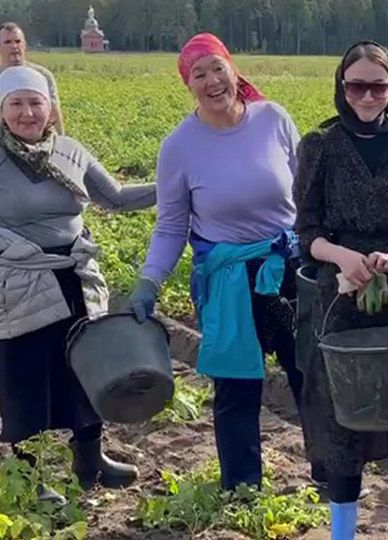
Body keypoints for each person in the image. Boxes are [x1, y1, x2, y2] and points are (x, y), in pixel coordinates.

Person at [128, 33, 311, 492]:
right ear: (188, 85)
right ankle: (243, 487)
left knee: (310, 374)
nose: (211, 81)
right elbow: (171, 225)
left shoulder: (274, 119)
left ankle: (330, 474)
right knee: (236, 387)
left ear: (234, 69)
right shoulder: (180, 146)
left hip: (285, 267)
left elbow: (308, 195)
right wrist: (150, 281)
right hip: (229, 278)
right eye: (198, 74)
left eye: (217, 68)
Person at [293, 40, 388, 540]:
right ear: (342, 87)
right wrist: (342, 257)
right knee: (343, 411)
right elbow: (306, 232)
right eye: (357, 85)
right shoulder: (320, 146)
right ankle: (343, 529)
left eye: (378, 86)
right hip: (339, 293)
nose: (368, 95)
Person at [0, 66, 154, 503]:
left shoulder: (69, 151)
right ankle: (28, 480)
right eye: (17, 103)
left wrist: (180, 187)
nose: (28, 113)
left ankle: (90, 460)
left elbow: (117, 198)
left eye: (36, 102)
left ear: (50, 107)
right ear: (2, 109)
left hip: (72, 277)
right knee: (24, 377)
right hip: (18, 284)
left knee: (85, 370)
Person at [0, 22, 64, 134]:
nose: (14, 46)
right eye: (8, 42)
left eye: (18, 41)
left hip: (37, 140)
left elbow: (54, 112)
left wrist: (61, 140)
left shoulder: (42, 75)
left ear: (25, 44)